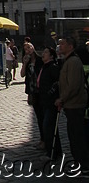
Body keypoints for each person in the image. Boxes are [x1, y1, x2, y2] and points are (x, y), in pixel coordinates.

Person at [55, 37, 89, 174]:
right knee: (73, 136)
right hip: (70, 105)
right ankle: (79, 162)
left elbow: (73, 86)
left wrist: (62, 99)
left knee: (78, 137)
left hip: (75, 105)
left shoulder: (74, 61)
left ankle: (84, 165)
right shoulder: (67, 61)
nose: (59, 46)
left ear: (70, 46)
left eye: (62, 44)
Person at [38, 47, 61, 159]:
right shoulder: (44, 66)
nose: (43, 54)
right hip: (44, 101)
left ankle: (52, 152)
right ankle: (55, 150)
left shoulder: (53, 67)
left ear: (51, 56)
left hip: (51, 102)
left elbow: (58, 83)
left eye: (46, 52)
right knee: (49, 127)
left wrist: (52, 94)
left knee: (48, 126)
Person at [20, 41, 44, 148]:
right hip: (32, 92)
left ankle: (45, 139)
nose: (28, 50)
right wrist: (24, 63)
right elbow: (22, 74)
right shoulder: (27, 61)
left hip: (41, 91)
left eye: (29, 47)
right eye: (26, 49)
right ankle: (42, 139)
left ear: (33, 47)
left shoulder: (40, 59)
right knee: (38, 116)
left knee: (43, 116)